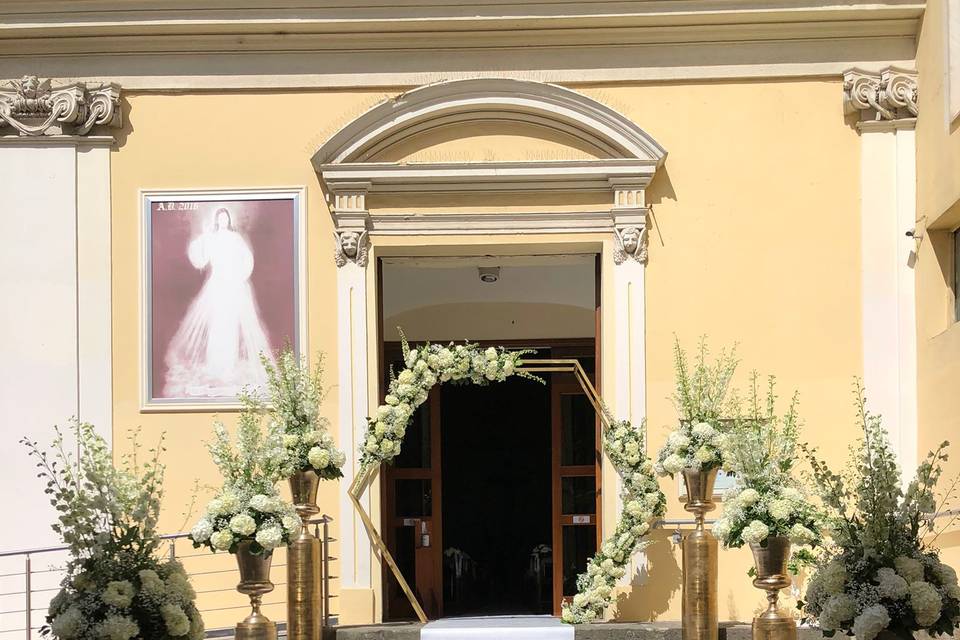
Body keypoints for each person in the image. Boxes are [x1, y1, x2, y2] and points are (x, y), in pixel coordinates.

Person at [163, 207, 274, 399]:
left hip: (232, 286)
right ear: (217, 220)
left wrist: (239, 276)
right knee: (217, 326)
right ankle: (216, 366)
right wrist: (204, 239)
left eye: (225, 218)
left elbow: (247, 260)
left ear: (228, 220)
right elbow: (200, 261)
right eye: (220, 218)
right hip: (217, 286)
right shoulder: (212, 239)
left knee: (230, 325)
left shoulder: (236, 239)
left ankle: (228, 365)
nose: (223, 221)